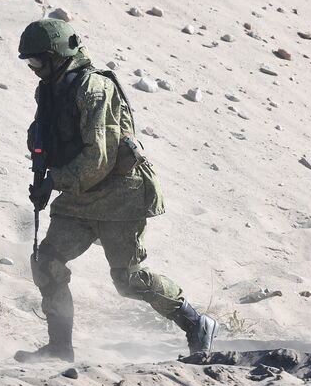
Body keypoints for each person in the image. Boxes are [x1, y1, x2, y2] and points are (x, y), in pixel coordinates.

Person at [15, 18, 216, 362]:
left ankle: (197, 323)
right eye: (30, 63)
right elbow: (46, 137)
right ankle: (60, 348)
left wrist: (55, 181)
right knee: (46, 262)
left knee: (128, 280)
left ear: (59, 55)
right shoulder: (50, 89)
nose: (34, 70)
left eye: (38, 62)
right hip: (80, 197)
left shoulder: (93, 89)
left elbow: (100, 156)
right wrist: (43, 170)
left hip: (120, 195)